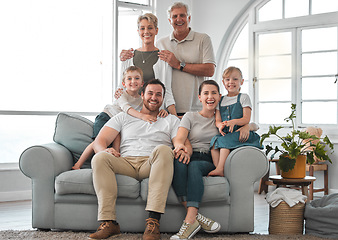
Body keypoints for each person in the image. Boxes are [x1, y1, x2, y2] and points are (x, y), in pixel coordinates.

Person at [88, 79, 189, 240]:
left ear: (163, 98)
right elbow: (99, 142)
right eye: (150, 93)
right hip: (125, 162)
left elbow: (180, 142)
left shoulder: (171, 120)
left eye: (158, 94)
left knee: (164, 150)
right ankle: (109, 222)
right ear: (142, 95)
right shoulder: (124, 117)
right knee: (99, 158)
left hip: (152, 163)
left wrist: (180, 147)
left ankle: (153, 222)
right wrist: (105, 150)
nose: (154, 98)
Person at [170, 80, 259, 239]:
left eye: (214, 93)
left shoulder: (225, 120)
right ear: (199, 97)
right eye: (206, 93)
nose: (210, 97)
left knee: (194, 167)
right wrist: (179, 148)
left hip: (209, 157)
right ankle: (195, 217)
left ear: (220, 97)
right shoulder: (190, 116)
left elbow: (252, 124)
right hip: (190, 153)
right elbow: (180, 138)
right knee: (179, 162)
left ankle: (189, 222)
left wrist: (246, 126)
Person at [121, 2, 216, 116]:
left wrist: (179, 65)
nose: (178, 19)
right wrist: (124, 55)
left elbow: (210, 70)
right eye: (174, 16)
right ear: (169, 20)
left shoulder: (203, 39)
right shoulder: (161, 43)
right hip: (167, 107)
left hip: (195, 106)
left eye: (182, 15)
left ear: (189, 18)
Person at [72, 66, 168, 170]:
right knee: (97, 142)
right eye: (129, 79)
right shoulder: (121, 94)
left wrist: (162, 111)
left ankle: (117, 158)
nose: (133, 81)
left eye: (136, 78)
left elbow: (149, 107)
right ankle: (78, 165)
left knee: (118, 139)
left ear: (142, 83)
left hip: (119, 122)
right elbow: (127, 109)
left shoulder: (141, 98)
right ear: (123, 84)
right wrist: (142, 116)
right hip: (107, 116)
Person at [118, 13, 177, 117]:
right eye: (142, 28)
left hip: (153, 112)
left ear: (156, 30)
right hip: (129, 112)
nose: (146, 32)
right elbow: (120, 88)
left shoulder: (163, 59)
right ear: (138, 31)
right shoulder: (128, 57)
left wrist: (173, 115)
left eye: (150, 28)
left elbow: (167, 91)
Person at [209, 67, 263, 177]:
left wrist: (234, 122)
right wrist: (220, 125)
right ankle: (218, 167)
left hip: (240, 132)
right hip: (227, 133)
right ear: (223, 83)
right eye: (227, 79)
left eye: (235, 79)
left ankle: (220, 169)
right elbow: (218, 120)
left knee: (224, 142)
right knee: (214, 142)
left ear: (241, 82)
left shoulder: (243, 97)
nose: (231, 82)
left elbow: (246, 119)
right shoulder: (221, 100)